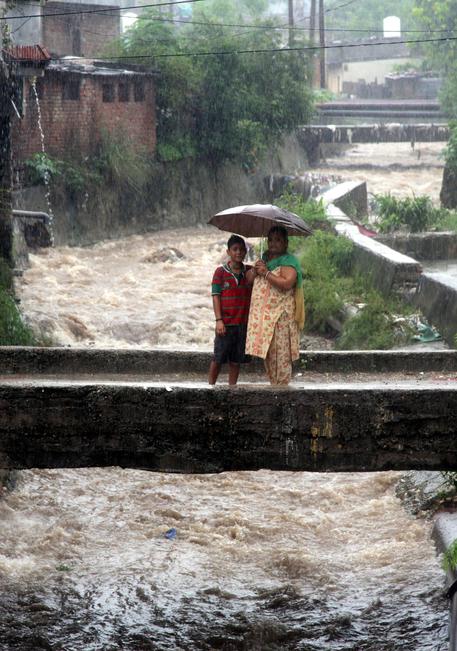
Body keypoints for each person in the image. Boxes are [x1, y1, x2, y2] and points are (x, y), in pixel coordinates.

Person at [245, 225, 305, 386]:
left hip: (281, 318)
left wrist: (266, 273)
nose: (273, 243)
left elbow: (287, 283)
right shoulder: (264, 259)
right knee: (270, 354)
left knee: (281, 355)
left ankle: (282, 390)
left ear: (286, 243)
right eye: (270, 240)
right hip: (266, 319)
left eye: (278, 240)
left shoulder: (289, 261)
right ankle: (274, 386)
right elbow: (249, 280)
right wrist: (255, 270)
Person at [208, 234, 253, 385]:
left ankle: (232, 389)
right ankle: (210, 387)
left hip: (243, 324)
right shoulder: (220, 272)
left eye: (241, 249)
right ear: (228, 252)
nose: (238, 252)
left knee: (236, 360)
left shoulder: (249, 272)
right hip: (225, 324)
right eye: (235, 249)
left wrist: (260, 267)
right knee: (218, 358)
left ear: (245, 252)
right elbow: (216, 296)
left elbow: (257, 281)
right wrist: (219, 320)